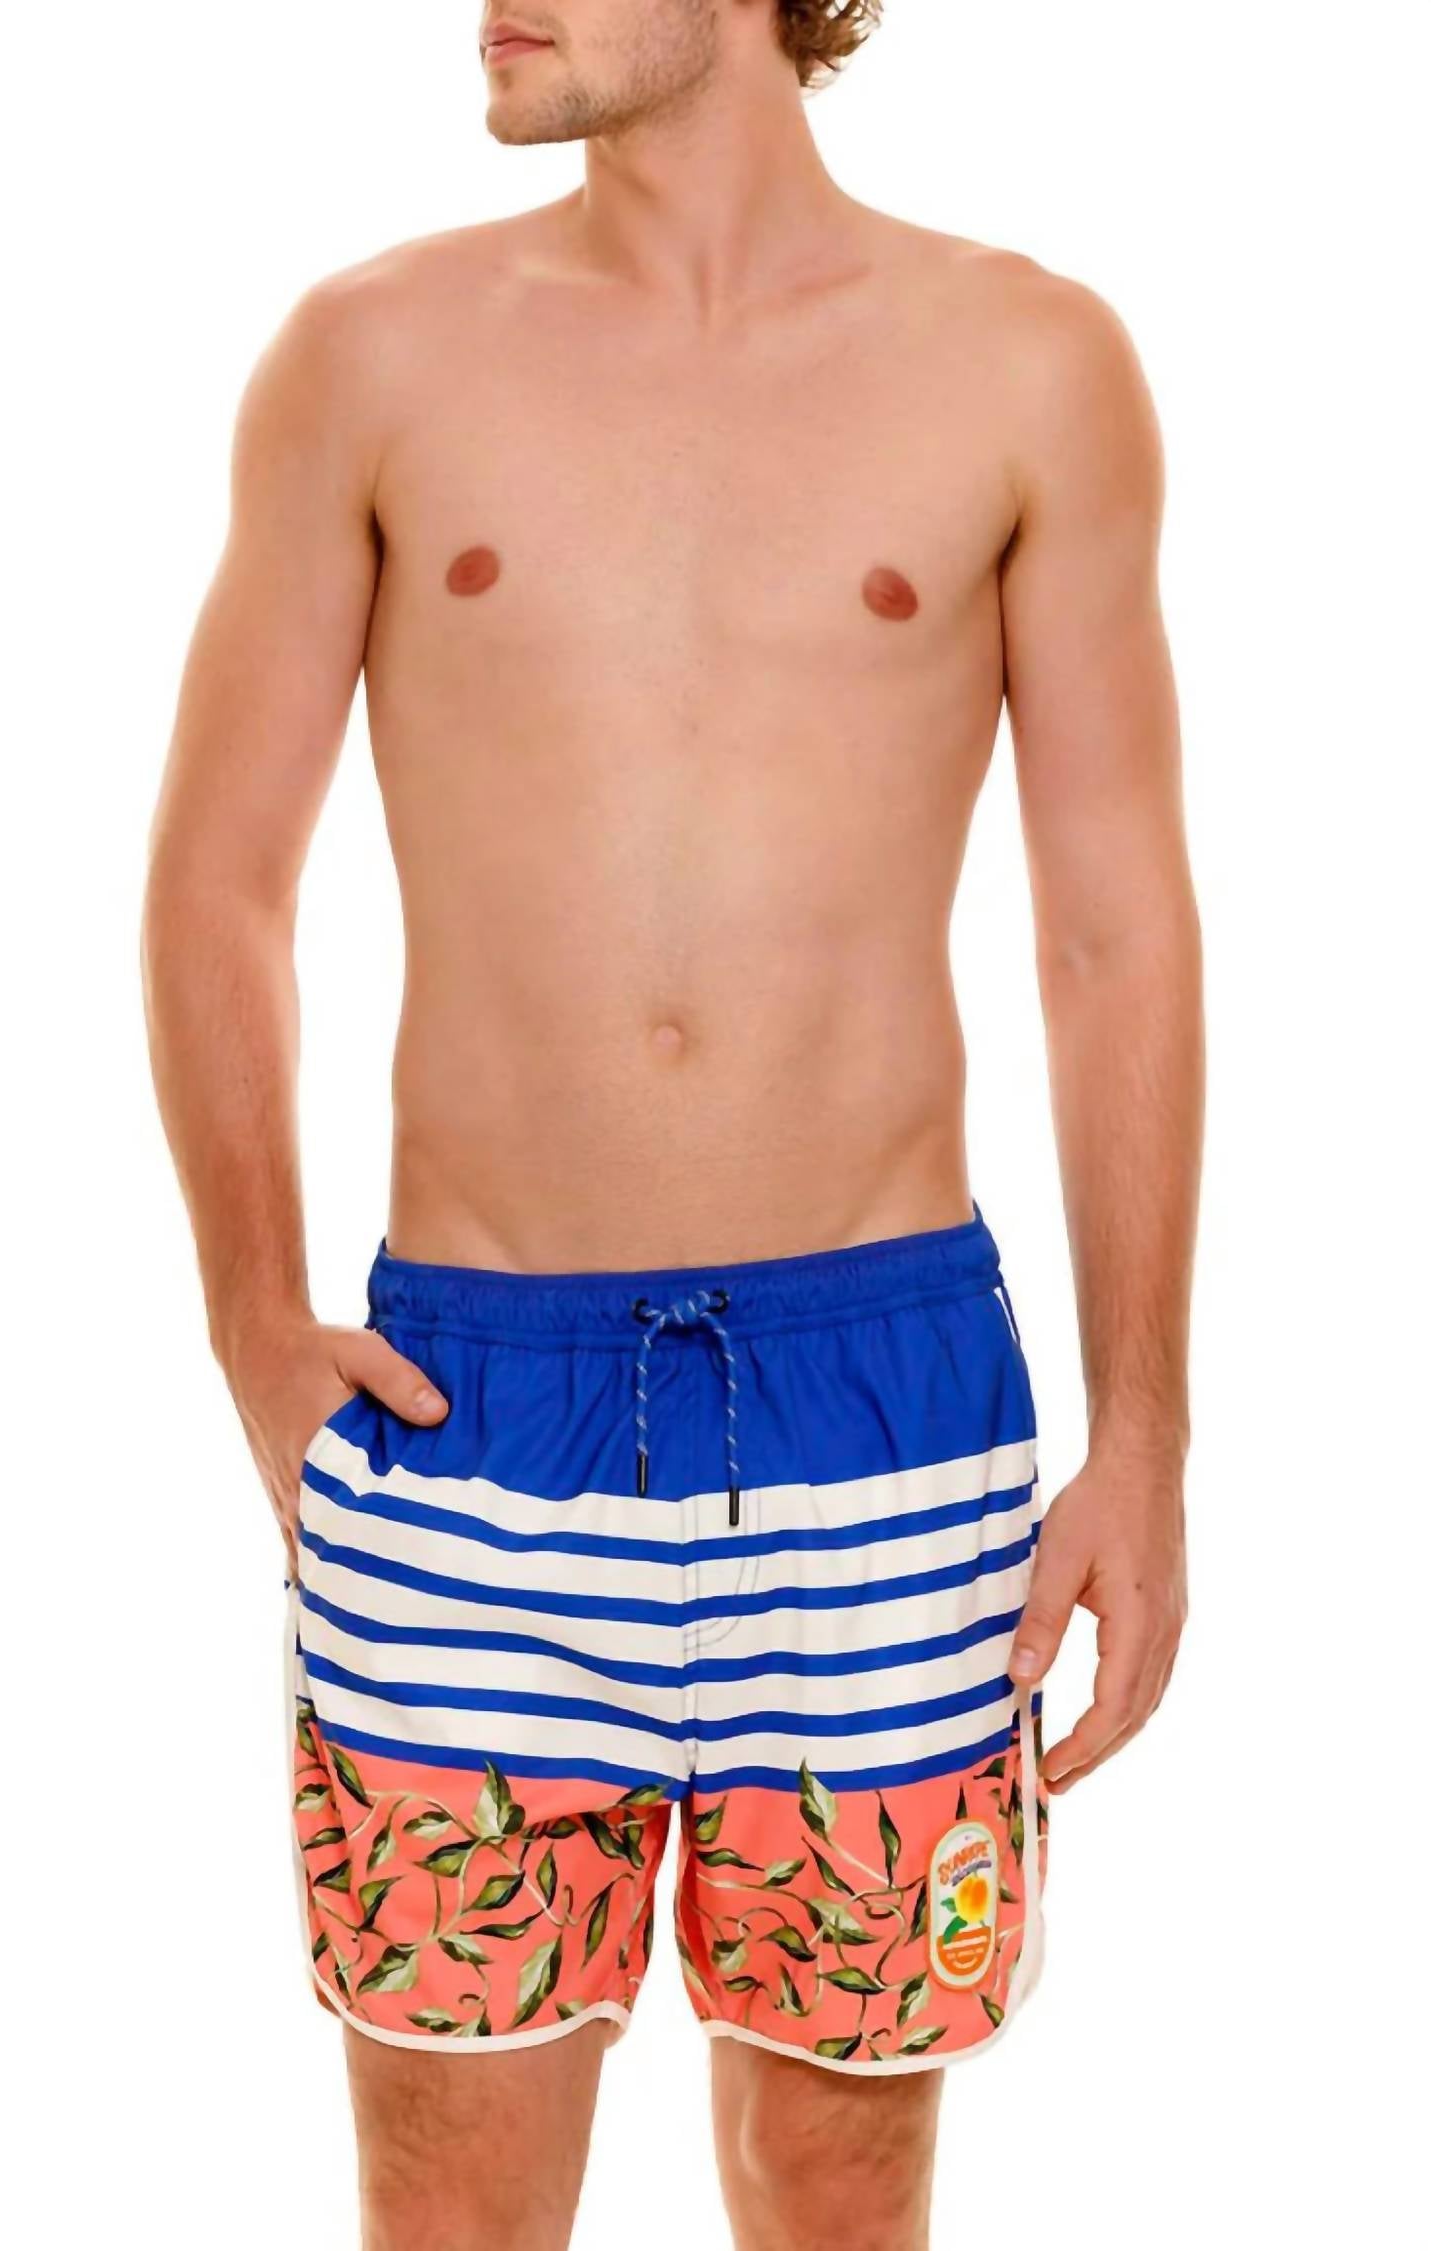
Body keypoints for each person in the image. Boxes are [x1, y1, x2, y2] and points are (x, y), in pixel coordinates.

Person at [142, 3, 1202, 2244]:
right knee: (451, 2184)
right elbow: (219, 877)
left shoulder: (1027, 365)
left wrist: (1147, 1432)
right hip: (466, 1404)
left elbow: (1115, 929)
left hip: (883, 1407)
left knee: (840, 2173)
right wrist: (248, 1316)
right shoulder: (369, 356)